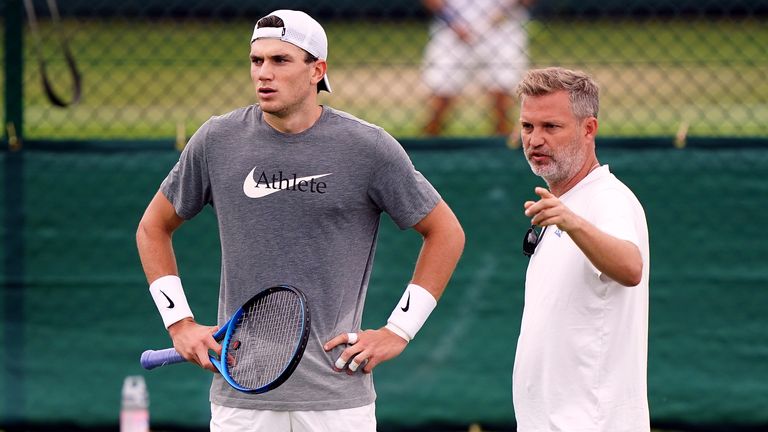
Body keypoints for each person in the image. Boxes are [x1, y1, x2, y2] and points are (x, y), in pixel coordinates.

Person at [135, 9, 465, 432]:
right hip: (242, 399)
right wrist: (179, 322)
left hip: (338, 399)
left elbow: (445, 233)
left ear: (317, 70)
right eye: (257, 61)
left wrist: (399, 329)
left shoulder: (368, 147)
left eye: (280, 60)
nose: (264, 74)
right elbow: (152, 227)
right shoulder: (217, 140)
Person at [512, 67, 650, 431]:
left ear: (589, 129)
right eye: (528, 127)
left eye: (550, 127)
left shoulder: (608, 198)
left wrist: (571, 222)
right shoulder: (564, 202)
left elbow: (630, 267)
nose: (535, 140)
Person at [421, 0, 536, 137]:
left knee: (502, 93)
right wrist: (452, 20)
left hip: (503, 29)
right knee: (442, 93)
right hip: (452, 29)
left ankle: (502, 144)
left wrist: (504, 11)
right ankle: (429, 142)